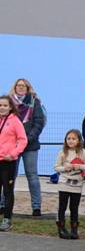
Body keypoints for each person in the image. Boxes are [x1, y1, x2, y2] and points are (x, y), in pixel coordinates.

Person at [9, 79, 45, 216]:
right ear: (15, 87)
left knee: (32, 176)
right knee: (9, 176)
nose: (20, 87)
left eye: (23, 85)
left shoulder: (35, 102)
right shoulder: (9, 103)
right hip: (12, 146)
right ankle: (4, 205)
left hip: (30, 145)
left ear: (28, 88)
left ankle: (36, 207)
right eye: (18, 85)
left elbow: (38, 122)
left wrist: (27, 139)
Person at [53, 129, 85, 239]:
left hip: (77, 184)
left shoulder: (83, 152)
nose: (71, 141)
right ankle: (61, 228)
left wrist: (79, 167)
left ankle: (74, 229)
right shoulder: (63, 152)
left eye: (74, 139)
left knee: (74, 207)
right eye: (68, 138)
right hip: (64, 183)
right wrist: (65, 168)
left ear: (79, 140)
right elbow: (56, 167)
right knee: (62, 206)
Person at [0, 96, 28, 231]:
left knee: (7, 191)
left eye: (5, 105)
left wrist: (13, 154)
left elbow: (23, 140)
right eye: (0, 105)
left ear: (10, 107)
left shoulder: (15, 121)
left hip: (8, 162)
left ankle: (7, 219)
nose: (2, 108)